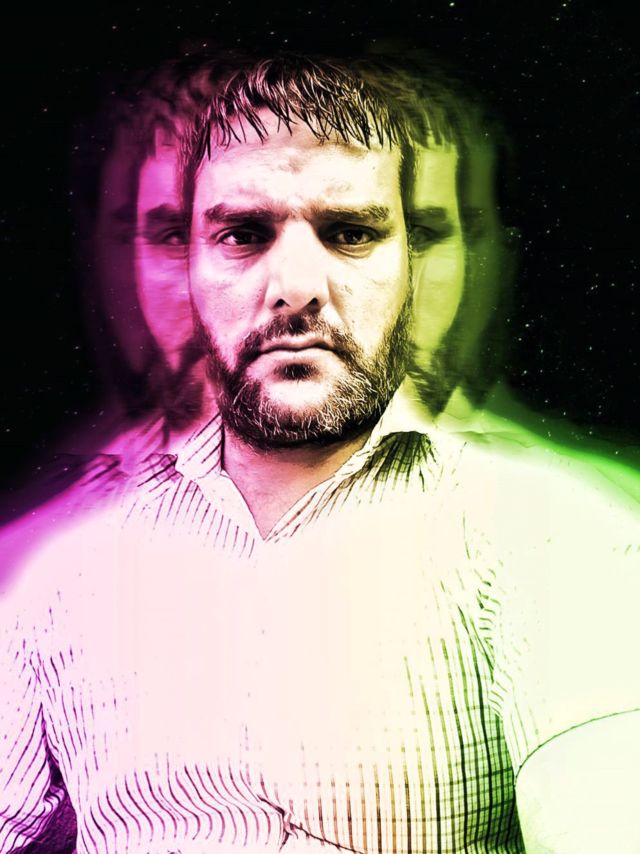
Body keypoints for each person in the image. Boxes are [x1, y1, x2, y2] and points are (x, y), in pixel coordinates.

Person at [1, 52, 639, 854]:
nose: (297, 286)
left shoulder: (548, 536)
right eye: (244, 235)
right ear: (188, 270)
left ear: (411, 268)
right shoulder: (67, 581)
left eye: (351, 233)